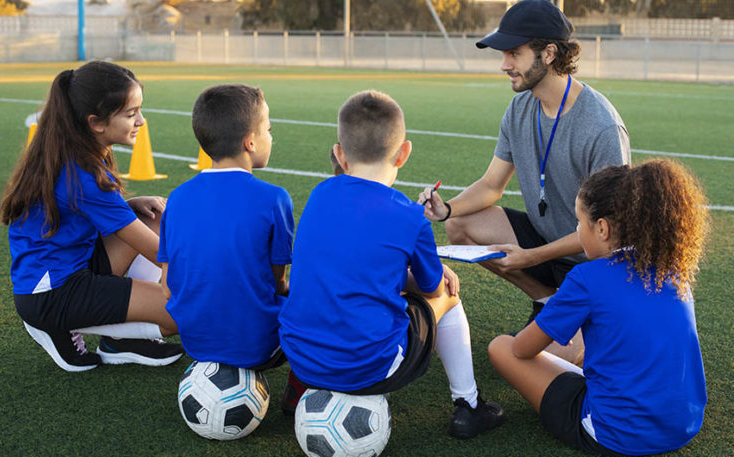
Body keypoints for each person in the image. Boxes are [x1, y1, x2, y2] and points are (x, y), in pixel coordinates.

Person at [280, 90, 504, 439]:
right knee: (448, 292)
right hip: (368, 366)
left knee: (329, 288)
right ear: (403, 153)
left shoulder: (320, 194)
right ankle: (469, 406)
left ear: (340, 154)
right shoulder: (409, 216)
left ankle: (296, 390)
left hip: (299, 354)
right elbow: (430, 288)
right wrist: (422, 275)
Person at [419, 0, 630, 363]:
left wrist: (530, 256)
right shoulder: (520, 108)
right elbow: (491, 185)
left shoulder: (601, 127)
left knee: (547, 360)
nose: (504, 65)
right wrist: (446, 208)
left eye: (514, 53)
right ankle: (547, 300)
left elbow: (609, 234)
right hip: (547, 243)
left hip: (596, 263)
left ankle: (579, 319)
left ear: (548, 54)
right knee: (459, 223)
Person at [487, 160, 708, 456]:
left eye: (579, 223)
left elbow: (521, 350)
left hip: (616, 434)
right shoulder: (673, 268)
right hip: (684, 424)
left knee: (501, 346)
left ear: (602, 228)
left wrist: (555, 309)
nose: (578, 231)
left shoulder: (587, 278)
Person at [0, 61, 184, 372]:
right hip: (52, 294)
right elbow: (159, 253)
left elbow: (88, 210)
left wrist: (130, 203)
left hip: (75, 263)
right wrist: (214, 281)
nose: (141, 120)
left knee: (155, 217)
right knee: (181, 311)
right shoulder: (82, 174)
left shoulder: (78, 150)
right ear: (96, 122)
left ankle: (120, 341)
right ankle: (57, 327)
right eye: (130, 113)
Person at [158, 83, 305, 416]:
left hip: (194, 340)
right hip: (259, 345)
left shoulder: (178, 197)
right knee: (316, 294)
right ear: (250, 142)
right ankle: (302, 384)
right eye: (268, 129)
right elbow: (277, 281)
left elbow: (167, 284)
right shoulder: (274, 198)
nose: (272, 136)